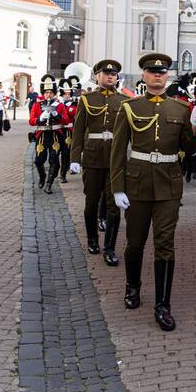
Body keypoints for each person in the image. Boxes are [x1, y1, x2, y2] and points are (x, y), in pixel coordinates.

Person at [110, 53, 196, 332]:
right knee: (135, 242)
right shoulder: (130, 107)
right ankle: (132, 287)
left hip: (168, 184)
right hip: (137, 184)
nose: (158, 76)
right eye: (152, 72)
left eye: (162, 72)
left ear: (168, 76)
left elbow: (191, 148)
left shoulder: (180, 109)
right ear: (144, 76)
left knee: (165, 244)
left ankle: (163, 305)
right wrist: (117, 187)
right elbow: (117, 151)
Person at [70, 59, 128, 266]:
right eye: (106, 73)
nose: (111, 76)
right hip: (93, 158)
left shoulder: (123, 101)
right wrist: (75, 158)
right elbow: (78, 131)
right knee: (91, 203)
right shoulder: (86, 100)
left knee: (113, 206)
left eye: (114, 74)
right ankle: (92, 239)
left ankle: (110, 248)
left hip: (115, 159)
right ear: (98, 76)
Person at [29, 75, 70, 193]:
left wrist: (57, 115)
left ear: (54, 93)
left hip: (55, 135)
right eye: (46, 92)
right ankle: (42, 176)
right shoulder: (37, 105)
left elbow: (66, 120)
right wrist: (39, 119)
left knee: (54, 161)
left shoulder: (60, 105)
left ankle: (49, 184)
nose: (48, 95)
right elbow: (31, 121)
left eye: (51, 92)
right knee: (38, 160)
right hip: (42, 134)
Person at [57, 78, 77, 182]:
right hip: (58, 130)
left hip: (68, 131)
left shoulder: (73, 104)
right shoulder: (57, 103)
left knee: (66, 153)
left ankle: (63, 174)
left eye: (69, 93)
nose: (67, 95)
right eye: (65, 94)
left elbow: (74, 114)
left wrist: (69, 108)